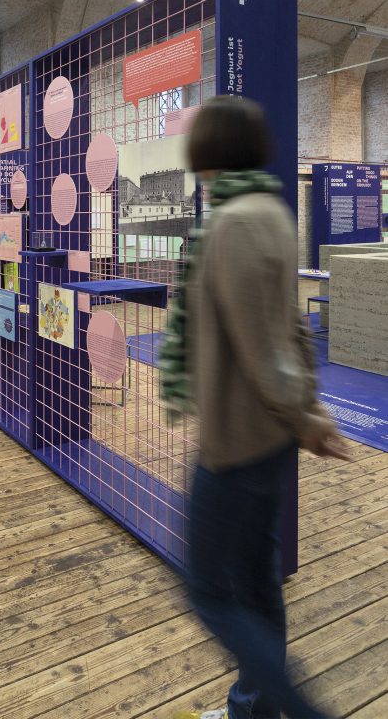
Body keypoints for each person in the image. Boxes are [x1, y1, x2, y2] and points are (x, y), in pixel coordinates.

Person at [158, 96, 349, 719]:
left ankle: (297, 711)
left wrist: (307, 416)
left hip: (237, 439)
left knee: (208, 588)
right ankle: (253, 708)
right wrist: (307, 411)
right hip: (268, 438)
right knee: (258, 581)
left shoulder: (233, 223)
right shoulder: (268, 209)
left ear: (208, 151)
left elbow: (264, 351)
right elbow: (291, 328)